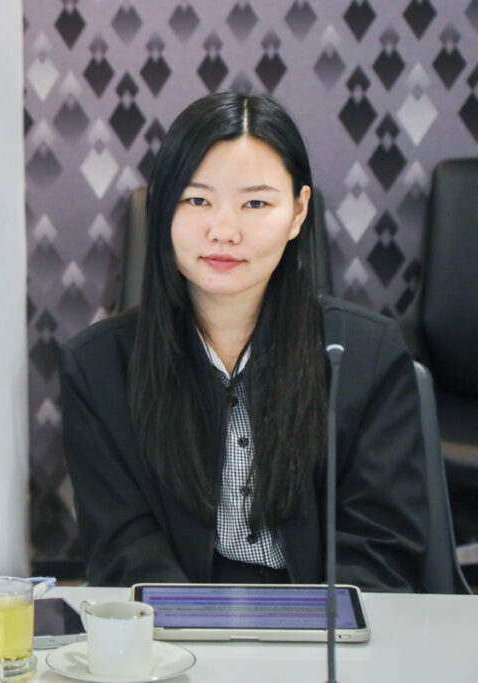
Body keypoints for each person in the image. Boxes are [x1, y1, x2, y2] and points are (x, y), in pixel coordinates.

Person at [60, 92, 428, 591]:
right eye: (197, 200)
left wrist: (309, 629)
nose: (224, 231)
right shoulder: (97, 367)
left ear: (298, 211)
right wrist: (194, 628)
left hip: (325, 626)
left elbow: (380, 550)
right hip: (174, 626)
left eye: (255, 203)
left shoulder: (367, 355)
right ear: (162, 208)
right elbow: (124, 547)